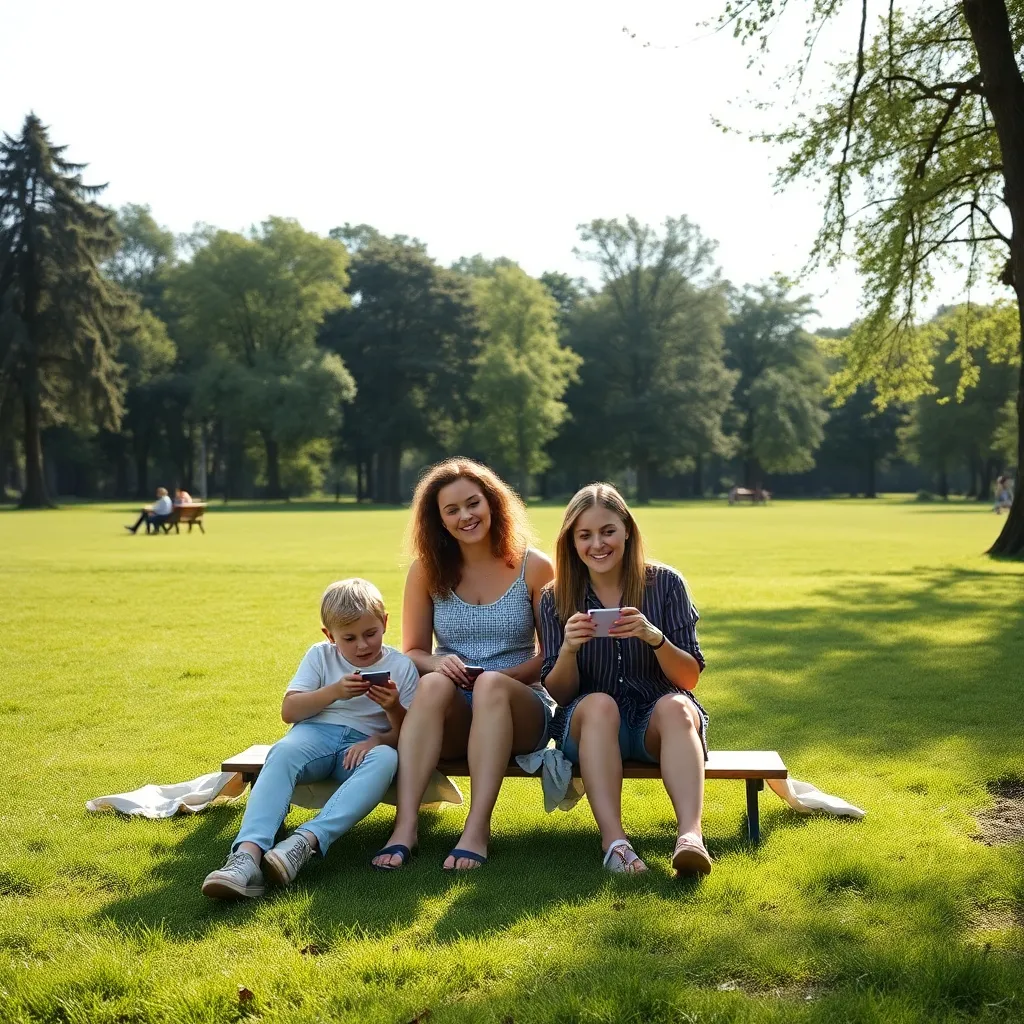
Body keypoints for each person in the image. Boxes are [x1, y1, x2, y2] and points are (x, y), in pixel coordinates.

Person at [372, 458, 556, 871]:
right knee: (434, 685)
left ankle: (477, 829)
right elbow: (414, 651)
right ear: (438, 520)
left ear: (492, 503)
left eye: (473, 503)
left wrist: (497, 677)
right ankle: (405, 826)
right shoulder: (426, 571)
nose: (465, 516)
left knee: (490, 687)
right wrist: (438, 663)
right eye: (451, 510)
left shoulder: (536, 567)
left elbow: (550, 657)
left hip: (521, 706)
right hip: (454, 711)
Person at [202, 578, 418, 899]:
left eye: (370, 634)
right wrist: (334, 692)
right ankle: (246, 857)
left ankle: (304, 843)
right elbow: (290, 710)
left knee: (387, 758)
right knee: (284, 751)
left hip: (365, 746)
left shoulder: (401, 667)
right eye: (349, 638)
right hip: (314, 736)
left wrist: (392, 711)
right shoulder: (320, 657)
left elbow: (411, 734)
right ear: (329, 636)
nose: (362, 645)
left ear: (385, 622)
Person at [539, 483, 712, 876]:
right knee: (599, 704)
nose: (597, 544)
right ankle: (615, 845)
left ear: (627, 530)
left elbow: (688, 679)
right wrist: (568, 649)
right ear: (572, 541)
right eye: (585, 535)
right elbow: (560, 692)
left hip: (655, 722)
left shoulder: (665, 584)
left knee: (678, 707)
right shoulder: (557, 597)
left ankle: (690, 838)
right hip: (591, 728)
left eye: (607, 531)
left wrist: (655, 638)